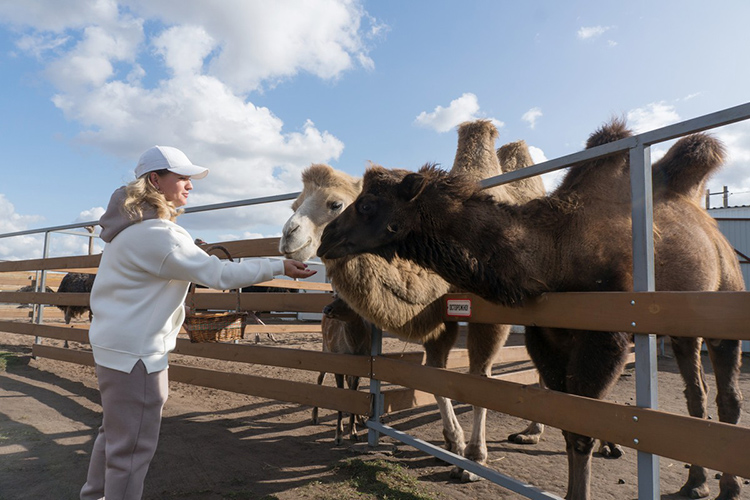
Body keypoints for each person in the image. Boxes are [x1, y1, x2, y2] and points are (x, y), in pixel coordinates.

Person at [80, 145, 316, 500]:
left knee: (114, 434)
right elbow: (218, 274)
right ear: (156, 180)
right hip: (138, 356)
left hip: (115, 347)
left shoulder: (127, 230)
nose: (190, 185)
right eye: (183, 177)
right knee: (132, 449)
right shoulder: (157, 234)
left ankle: (93, 496)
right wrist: (278, 265)